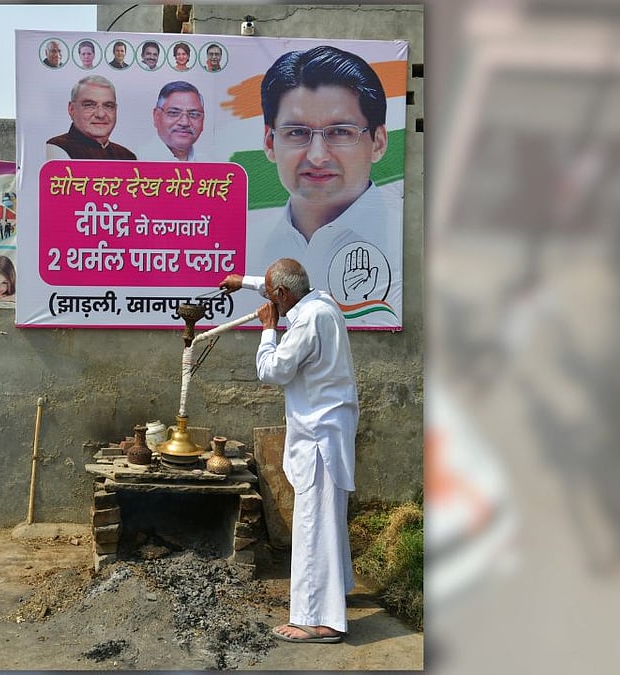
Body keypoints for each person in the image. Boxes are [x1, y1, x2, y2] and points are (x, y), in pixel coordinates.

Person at [222, 258, 358, 643]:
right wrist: (243, 282)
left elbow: (273, 371)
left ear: (282, 296)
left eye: (271, 294)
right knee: (328, 518)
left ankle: (319, 620)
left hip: (319, 436)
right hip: (330, 428)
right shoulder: (321, 302)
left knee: (314, 525)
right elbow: (279, 287)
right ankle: (337, 592)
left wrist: (268, 331)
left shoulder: (307, 322)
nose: (270, 300)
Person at [232, 46, 402, 324]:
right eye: (297, 132)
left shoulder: (402, 242)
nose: (317, 156)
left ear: (379, 142)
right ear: (269, 142)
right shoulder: (252, 240)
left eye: (340, 132)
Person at [45, 75, 137, 160]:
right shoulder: (56, 148)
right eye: (89, 105)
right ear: (72, 109)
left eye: (108, 106)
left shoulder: (126, 156)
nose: (100, 114)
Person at [138, 81, 205, 161]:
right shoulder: (137, 159)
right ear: (157, 116)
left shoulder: (210, 166)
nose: (185, 122)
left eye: (194, 114)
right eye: (174, 113)